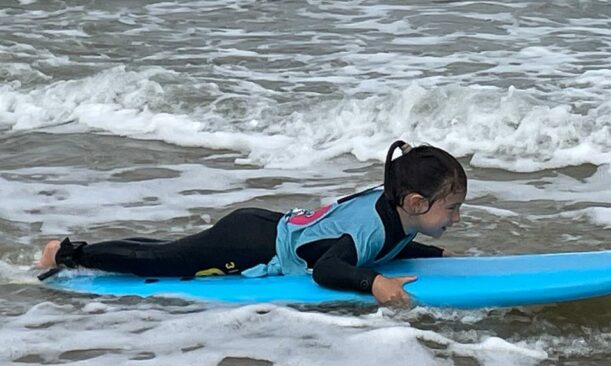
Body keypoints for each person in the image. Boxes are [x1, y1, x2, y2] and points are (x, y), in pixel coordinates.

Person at [36, 140, 467, 307]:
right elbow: (328, 268)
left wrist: (434, 254)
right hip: (249, 245)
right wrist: (374, 283)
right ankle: (67, 254)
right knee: (160, 261)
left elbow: (389, 244)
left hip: (261, 226)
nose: (456, 217)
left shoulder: (395, 209)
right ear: (415, 202)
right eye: (451, 208)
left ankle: (77, 250)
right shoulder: (371, 228)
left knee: (173, 250)